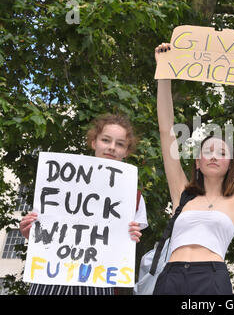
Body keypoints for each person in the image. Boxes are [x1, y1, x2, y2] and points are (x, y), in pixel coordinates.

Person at [153, 42, 234, 294]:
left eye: (221, 153)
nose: (213, 156)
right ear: (197, 162)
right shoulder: (182, 194)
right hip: (171, 277)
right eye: (206, 151)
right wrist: (164, 73)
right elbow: (167, 133)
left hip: (210, 279)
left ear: (230, 164)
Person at [19, 113, 148, 295]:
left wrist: (132, 235)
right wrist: (30, 233)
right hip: (50, 280)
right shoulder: (59, 179)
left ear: (126, 151)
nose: (112, 148)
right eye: (106, 140)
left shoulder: (132, 197)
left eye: (120, 144)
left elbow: (123, 246)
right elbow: (46, 231)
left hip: (97, 283)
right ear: (94, 142)